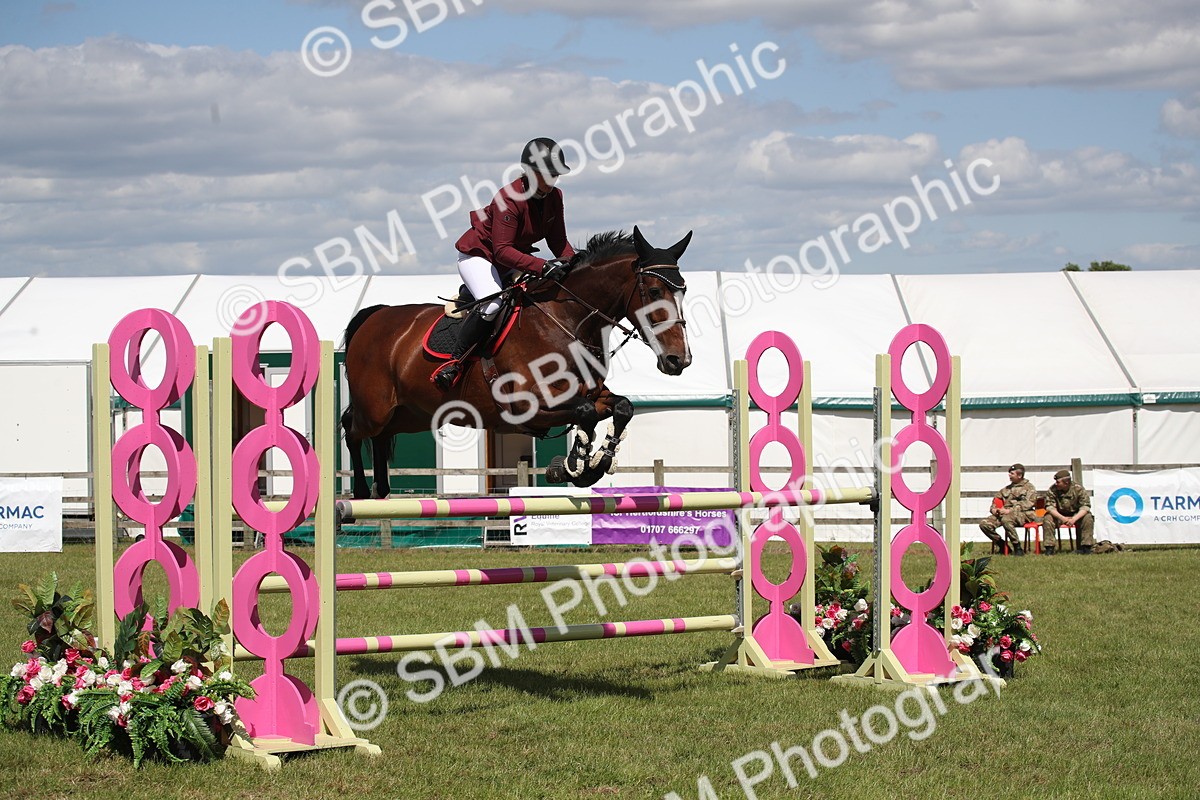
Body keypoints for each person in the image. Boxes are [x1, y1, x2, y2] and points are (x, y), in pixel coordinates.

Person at [432, 137, 577, 390]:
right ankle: (454, 363)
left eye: (556, 175)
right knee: (492, 302)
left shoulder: (555, 197)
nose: (553, 180)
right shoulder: (509, 198)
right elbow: (501, 251)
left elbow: (559, 242)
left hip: (513, 258)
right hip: (481, 256)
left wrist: (576, 266)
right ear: (531, 173)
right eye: (548, 174)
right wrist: (543, 266)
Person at [979, 463, 1037, 556]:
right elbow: (996, 501)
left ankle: (1017, 547)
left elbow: (1028, 503)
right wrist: (994, 509)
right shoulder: (1005, 489)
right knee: (984, 524)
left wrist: (1010, 511)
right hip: (1004, 514)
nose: (1009, 475)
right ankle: (1002, 545)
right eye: (1009, 473)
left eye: (1012, 473)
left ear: (1019, 475)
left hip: (1024, 514)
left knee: (1006, 519)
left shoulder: (1029, 488)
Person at [1042, 469, 1095, 555]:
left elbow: (1085, 507)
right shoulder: (1053, 490)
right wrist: (1063, 518)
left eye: (1058, 482)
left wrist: (1074, 519)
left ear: (1066, 483)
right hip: (1059, 514)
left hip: (1076, 514)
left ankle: (1086, 547)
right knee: (1048, 518)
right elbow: (1049, 507)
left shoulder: (1078, 489)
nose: (1056, 483)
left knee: (1088, 517)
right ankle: (1049, 548)